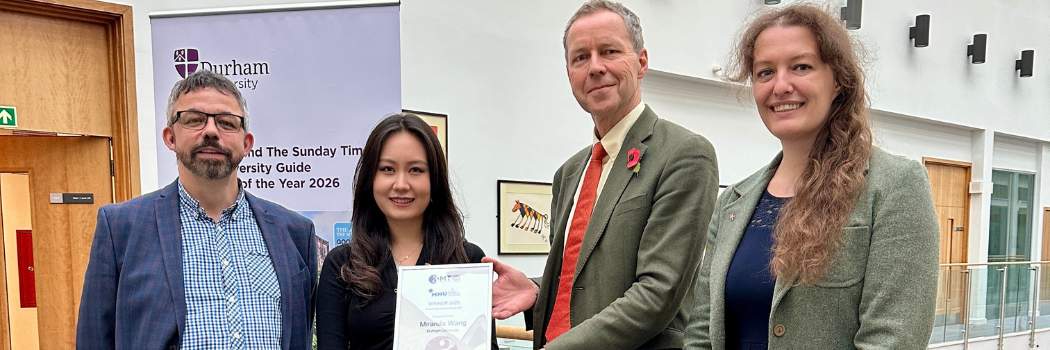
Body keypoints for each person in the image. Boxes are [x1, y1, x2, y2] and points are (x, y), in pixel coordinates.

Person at [684, 4, 939, 350]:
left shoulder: (894, 187)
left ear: (838, 81)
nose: (781, 86)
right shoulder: (732, 202)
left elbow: (892, 340)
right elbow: (702, 331)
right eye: (765, 72)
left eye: (801, 67)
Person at [482, 1, 719, 349]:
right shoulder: (569, 173)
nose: (595, 67)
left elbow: (657, 294)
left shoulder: (684, 154)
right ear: (569, 74)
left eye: (609, 51)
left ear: (641, 62)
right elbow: (586, 279)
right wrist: (537, 289)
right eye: (580, 57)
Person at [76, 69, 318, 350]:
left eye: (227, 123)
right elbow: (94, 338)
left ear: (246, 143)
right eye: (194, 120)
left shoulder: (296, 232)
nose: (211, 131)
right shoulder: (121, 228)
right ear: (170, 137)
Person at [315, 114, 498, 350]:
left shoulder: (467, 259)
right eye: (387, 169)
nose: (401, 184)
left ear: (435, 180)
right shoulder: (342, 264)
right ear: (370, 178)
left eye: (415, 170)